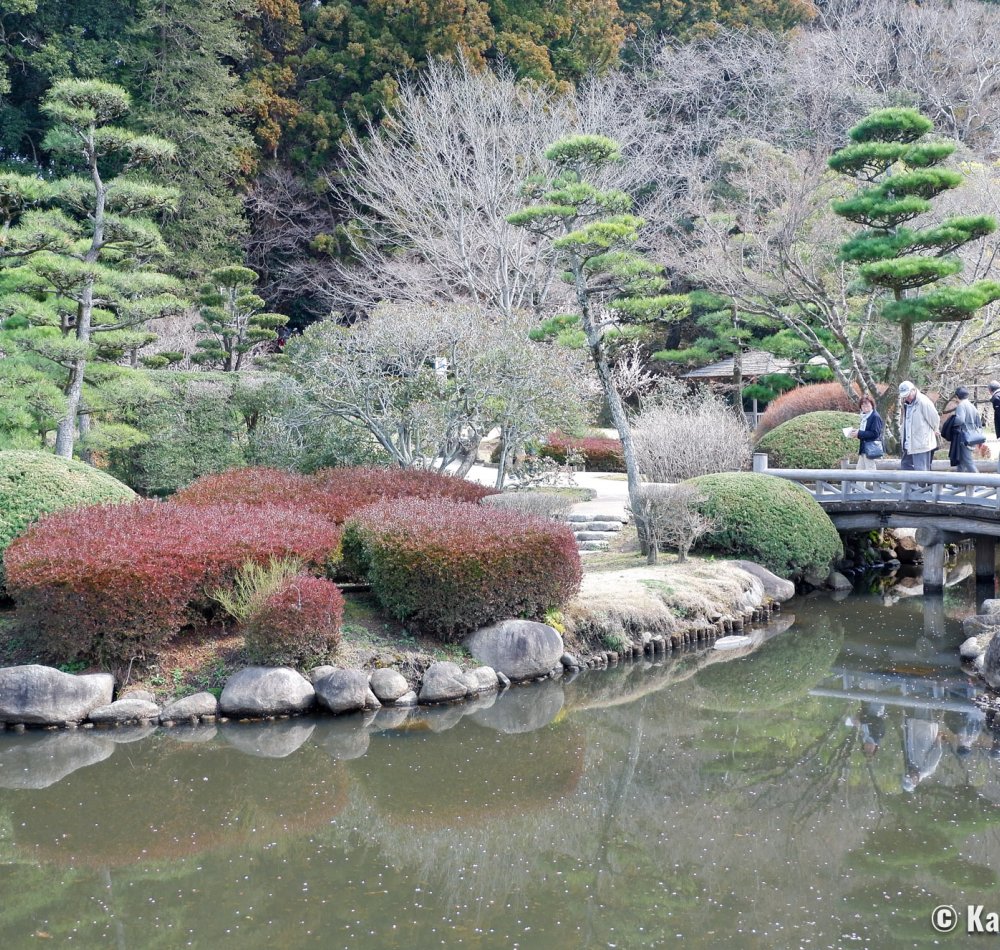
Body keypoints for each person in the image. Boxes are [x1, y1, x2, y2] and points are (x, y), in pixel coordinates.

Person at [898, 380, 940, 471]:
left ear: (913, 390)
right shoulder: (906, 404)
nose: (906, 398)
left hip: (922, 444)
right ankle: (910, 486)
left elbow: (934, 418)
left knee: (921, 470)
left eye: (908, 395)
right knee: (905, 466)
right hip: (909, 443)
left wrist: (935, 429)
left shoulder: (923, 402)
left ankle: (924, 486)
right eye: (904, 396)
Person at [848, 394, 883, 474]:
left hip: (871, 449)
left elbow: (875, 433)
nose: (865, 407)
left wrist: (859, 433)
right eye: (863, 406)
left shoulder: (875, 416)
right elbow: (864, 432)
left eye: (867, 405)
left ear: (872, 405)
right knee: (859, 472)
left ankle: (872, 487)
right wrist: (856, 433)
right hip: (864, 448)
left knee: (870, 472)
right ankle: (859, 487)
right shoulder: (864, 417)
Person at [952, 386, 983, 473]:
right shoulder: (972, 406)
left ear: (957, 396)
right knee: (961, 461)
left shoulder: (961, 406)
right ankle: (959, 484)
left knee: (968, 461)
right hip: (972, 436)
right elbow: (979, 423)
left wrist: (951, 423)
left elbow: (960, 420)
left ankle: (979, 483)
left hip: (964, 436)